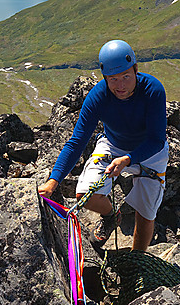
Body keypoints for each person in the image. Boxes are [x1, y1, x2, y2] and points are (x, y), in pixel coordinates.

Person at [38, 39, 168, 252]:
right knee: (84, 195)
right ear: (105, 78)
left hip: (149, 151)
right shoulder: (98, 97)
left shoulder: (153, 90)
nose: (120, 86)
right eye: (113, 79)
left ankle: (136, 260)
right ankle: (110, 216)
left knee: (145, 214)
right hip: (113, 145)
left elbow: (156, 140)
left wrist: (128, 159)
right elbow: (76, 142)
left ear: (136, 70)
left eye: (126, 76)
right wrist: (53, 181)